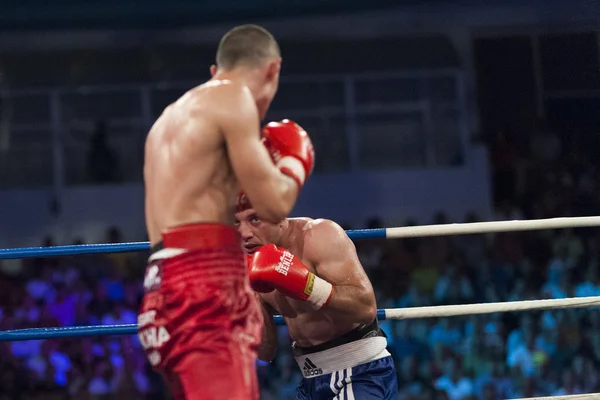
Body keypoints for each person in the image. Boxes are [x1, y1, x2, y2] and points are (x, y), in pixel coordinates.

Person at [138, 24, 316, 400]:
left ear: (215, 70)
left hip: (161, 284)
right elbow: (273, 204)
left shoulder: (167, 120)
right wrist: (295, 163)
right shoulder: (234, 97)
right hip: (203, 279)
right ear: (273, 70)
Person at [235, 193, 398, 399]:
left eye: (254, 219)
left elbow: (366, 308)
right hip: (310, 381)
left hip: (360, 373)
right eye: (235, 222)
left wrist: (308, 286)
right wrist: (246, 298)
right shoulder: (246, 262)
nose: (244, 233)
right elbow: (265, 353)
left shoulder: (320, 236)